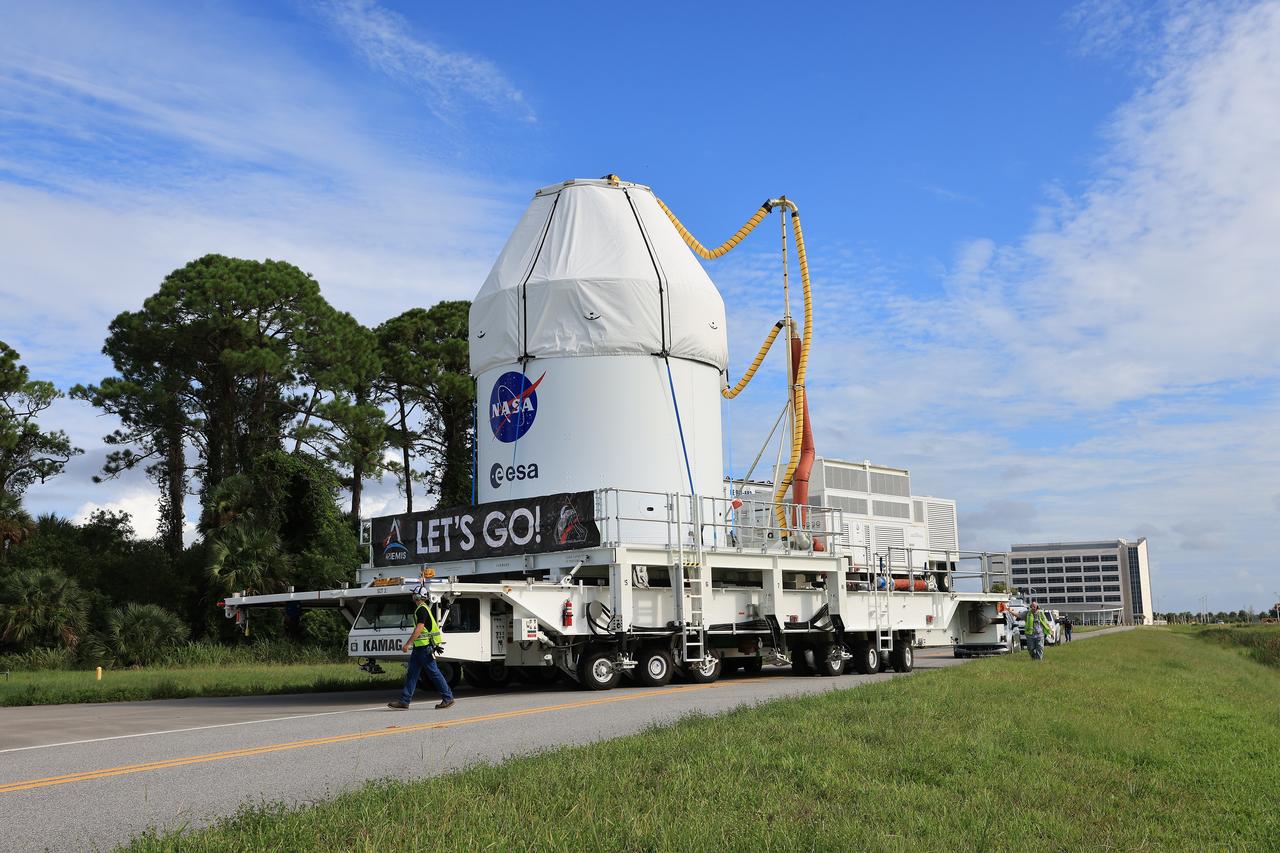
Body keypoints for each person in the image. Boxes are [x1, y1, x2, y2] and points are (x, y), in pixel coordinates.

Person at [388, 586, 455, 710]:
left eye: (414, 594)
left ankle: (448, 698)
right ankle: (404, 701)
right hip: (419, 648)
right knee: (412, 674)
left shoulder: (421, 609)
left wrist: (408, 644)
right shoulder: (422, 608)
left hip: (424, 648)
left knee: (434, 673)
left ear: (419, 596)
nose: (413, 596)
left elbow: (419, 628)